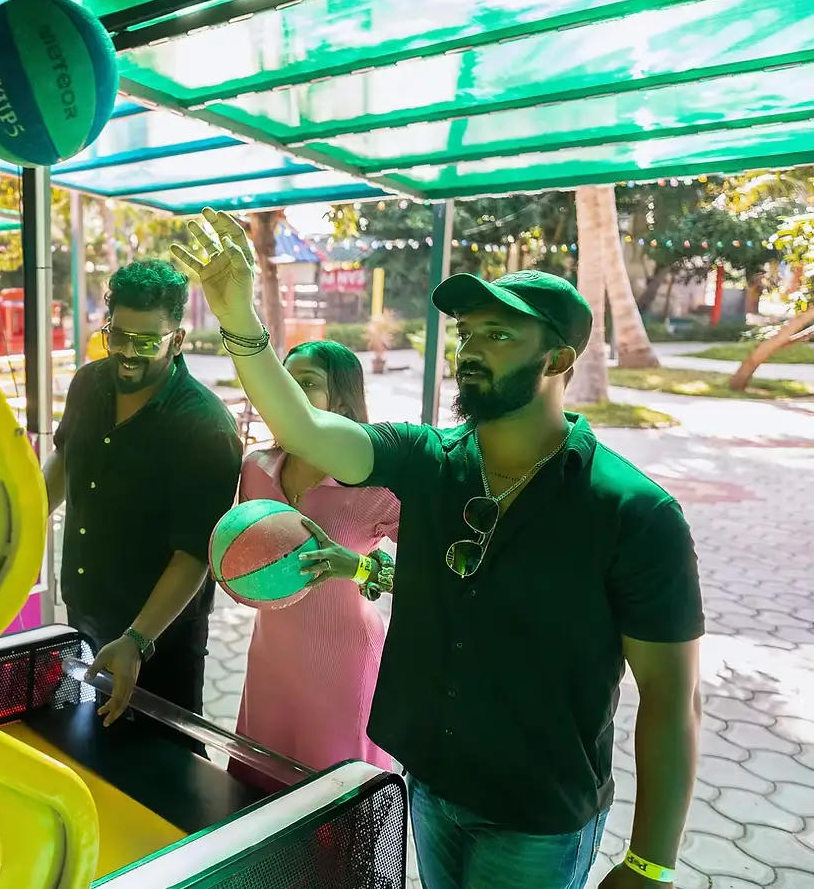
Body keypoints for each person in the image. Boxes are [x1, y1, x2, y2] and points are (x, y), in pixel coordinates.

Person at [172, 210, 702, 889]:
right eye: (468, 332)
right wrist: (239, 316)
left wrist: (651, 861)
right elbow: (302, 426)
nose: (471, 348)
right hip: (430, 786)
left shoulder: (632, 511)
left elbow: (671, 695)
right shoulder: (427, 461)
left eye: (500, 334)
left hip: (535, 813)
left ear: (559, 359)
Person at [49, 259, 242, 726]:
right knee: (87, 740)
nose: (128, 352)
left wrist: (136, 641)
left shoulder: (206, 427)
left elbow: (194, 554)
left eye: (147, 341)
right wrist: (14, 535)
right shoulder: (88, 383)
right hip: (85, 605)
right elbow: (63, 463)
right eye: (119, 336)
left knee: (164, 765)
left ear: (176, 340)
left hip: (158, 638)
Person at [223, 341, 400, 792]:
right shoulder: (255, 469)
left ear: (340, 400)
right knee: (257, 794)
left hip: (343, 663)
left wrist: (359, 568)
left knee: (331, 805)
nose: (291, 391)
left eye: (308, 383)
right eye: (286, 379)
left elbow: (434, 578)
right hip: (270, 656)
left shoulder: (375, 483)